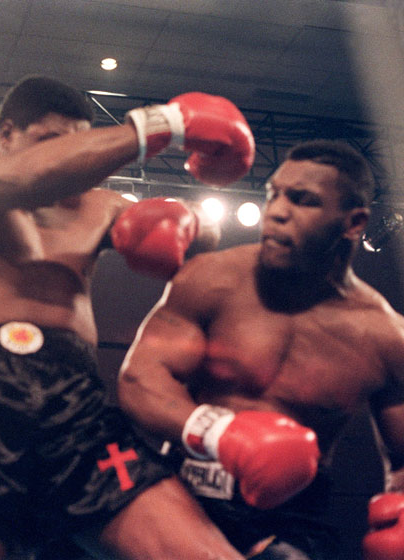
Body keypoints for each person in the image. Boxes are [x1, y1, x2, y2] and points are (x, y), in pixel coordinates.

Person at [0, 74, 256, 560]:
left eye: (79, 145)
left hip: (75, 405)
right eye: (52, 141)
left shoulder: (100, 206)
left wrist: (189, 222)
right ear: (6, 135)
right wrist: (164, 123)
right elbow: (25, 178)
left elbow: (206, 237)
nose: (72, 160)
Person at [118, 139, 404, 560]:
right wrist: (220, 433)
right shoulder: (212, 279)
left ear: (354, 222)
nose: (277, 211)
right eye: (274, 194)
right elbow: (139, 379)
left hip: (293, 516)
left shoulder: (386, 337)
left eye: (302, 200)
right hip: (185, 492)